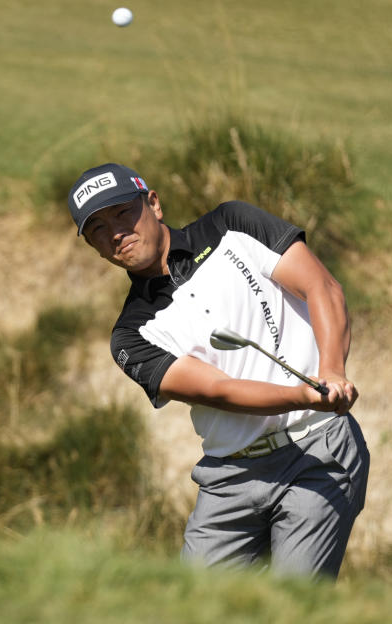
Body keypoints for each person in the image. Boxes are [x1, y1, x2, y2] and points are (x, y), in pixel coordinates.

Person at [68, 162, 369, 578]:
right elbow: (220, 390)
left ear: (153, 204)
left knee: (293, 607)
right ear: (94, 247)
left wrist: (331, 371)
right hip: (230, 478)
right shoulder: (131, 336)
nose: (116, 232)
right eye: (98, 228)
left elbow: (322, 287)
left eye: (122, 212)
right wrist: (305, 394)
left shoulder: (232, 225)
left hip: (317, 450)